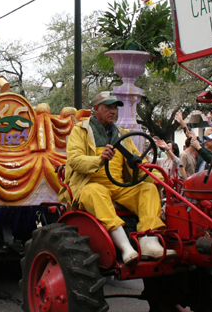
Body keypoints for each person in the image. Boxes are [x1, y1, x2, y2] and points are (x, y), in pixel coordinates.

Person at [62, 91, 166, 264]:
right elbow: (74, 160)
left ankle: (148, 240)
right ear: (96, 108)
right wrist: (99, 160)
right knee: (95, 191)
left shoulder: (123, 134)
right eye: (108, 108)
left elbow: (138, 162)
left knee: (148, 189)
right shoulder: (80, 131)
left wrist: (156, 177)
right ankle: (125, 247)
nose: (113, 111)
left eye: (115, 108)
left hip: (118, 187)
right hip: (89, 185)